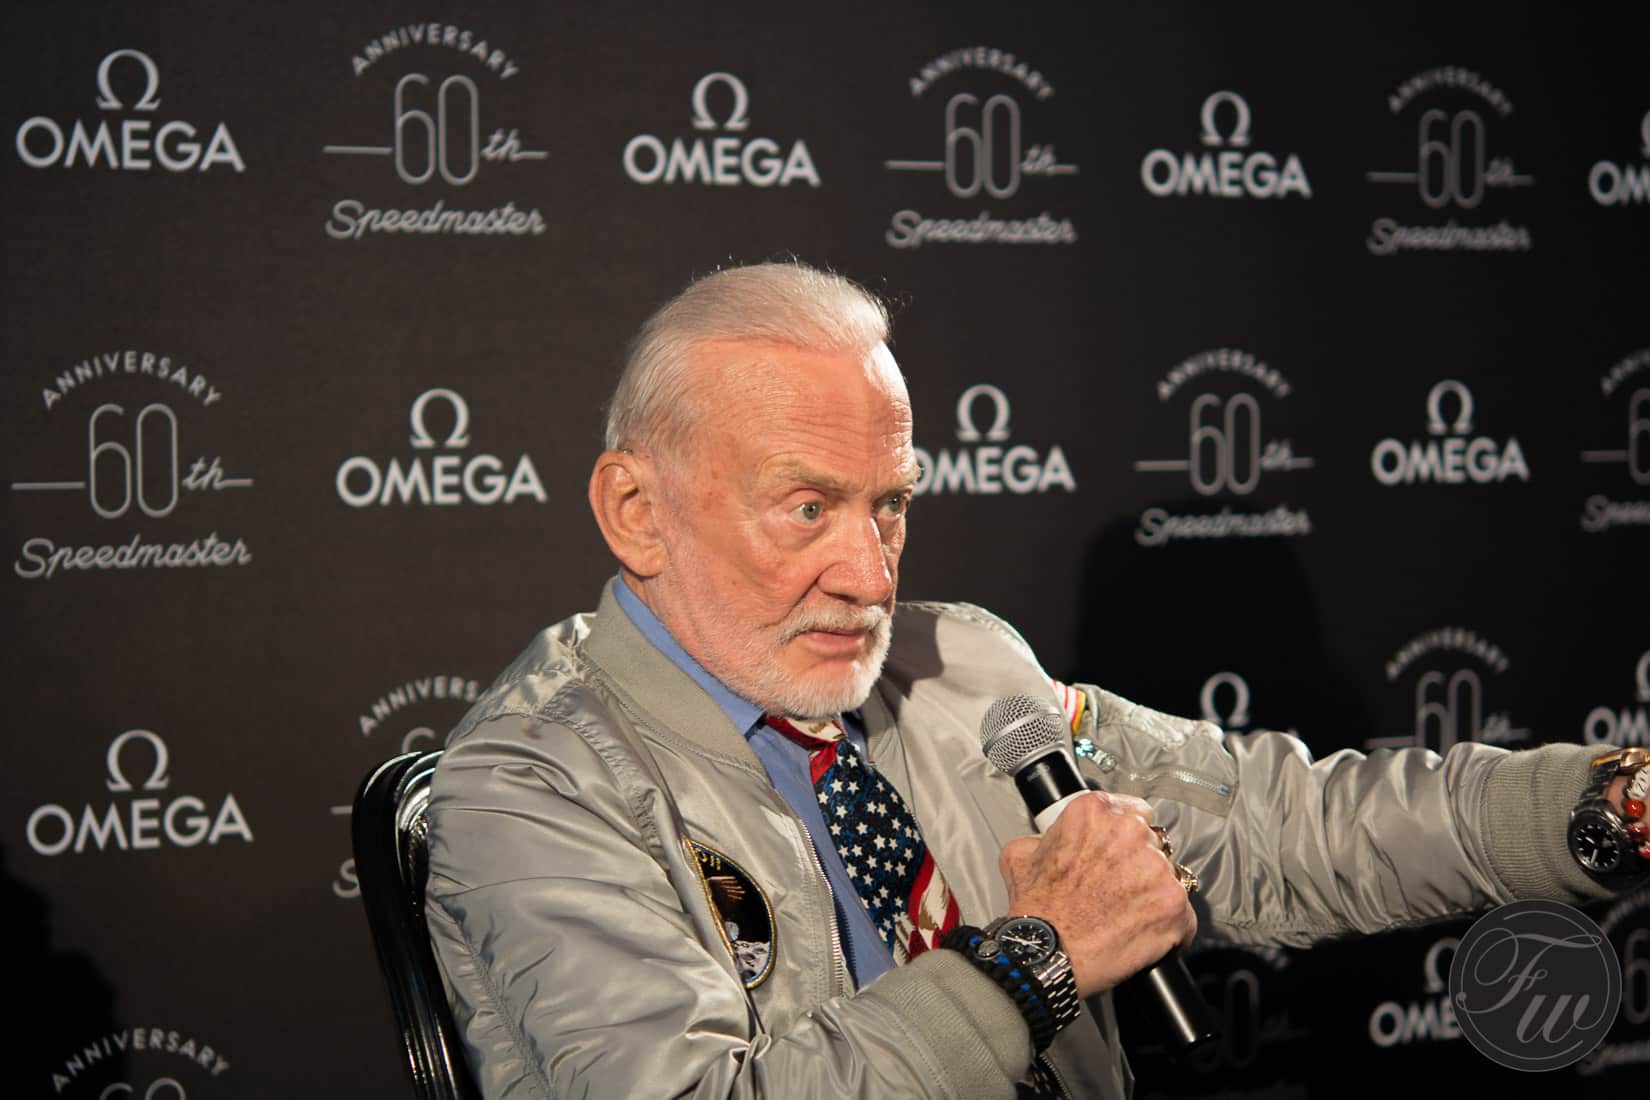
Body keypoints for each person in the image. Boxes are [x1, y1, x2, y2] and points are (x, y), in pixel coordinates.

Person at [425, 261, 1645, 1099]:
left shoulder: (960, 665)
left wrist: (1607, 806)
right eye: (806, 508)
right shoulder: (531, 783)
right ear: (636, 511)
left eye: (890, 504)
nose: (869, 575)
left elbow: (1275, 825)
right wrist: (1036, 956)